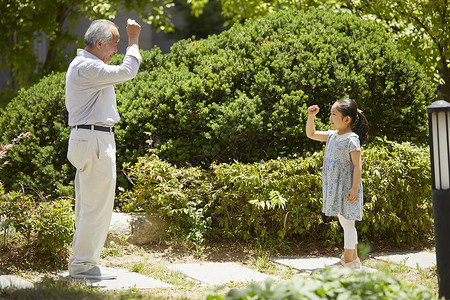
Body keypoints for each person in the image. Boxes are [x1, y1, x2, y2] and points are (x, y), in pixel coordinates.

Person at [65, 18, 142, 280]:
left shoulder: (85, 65)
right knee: (96, 206)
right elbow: (128, 71)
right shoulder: (88, 66)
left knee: (90, 205)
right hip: (94, 140)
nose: (116, 50)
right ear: (99, 43)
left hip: (90, 139)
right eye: (114, 44)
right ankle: (83, 266)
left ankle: (83, 262)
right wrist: (133, 40)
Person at [306, 98, 369, 269]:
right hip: (336, 187)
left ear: (346, 119)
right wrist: (311, 117)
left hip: (348, 188)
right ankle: (353, 261)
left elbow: (357, 166)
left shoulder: (352, 139)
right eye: (330, 114)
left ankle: (348, 261)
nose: (330, 117)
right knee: (345, 222)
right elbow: (311, 134)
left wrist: (354, 188)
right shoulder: (332, 136)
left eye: (334, 114)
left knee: (348, 223)